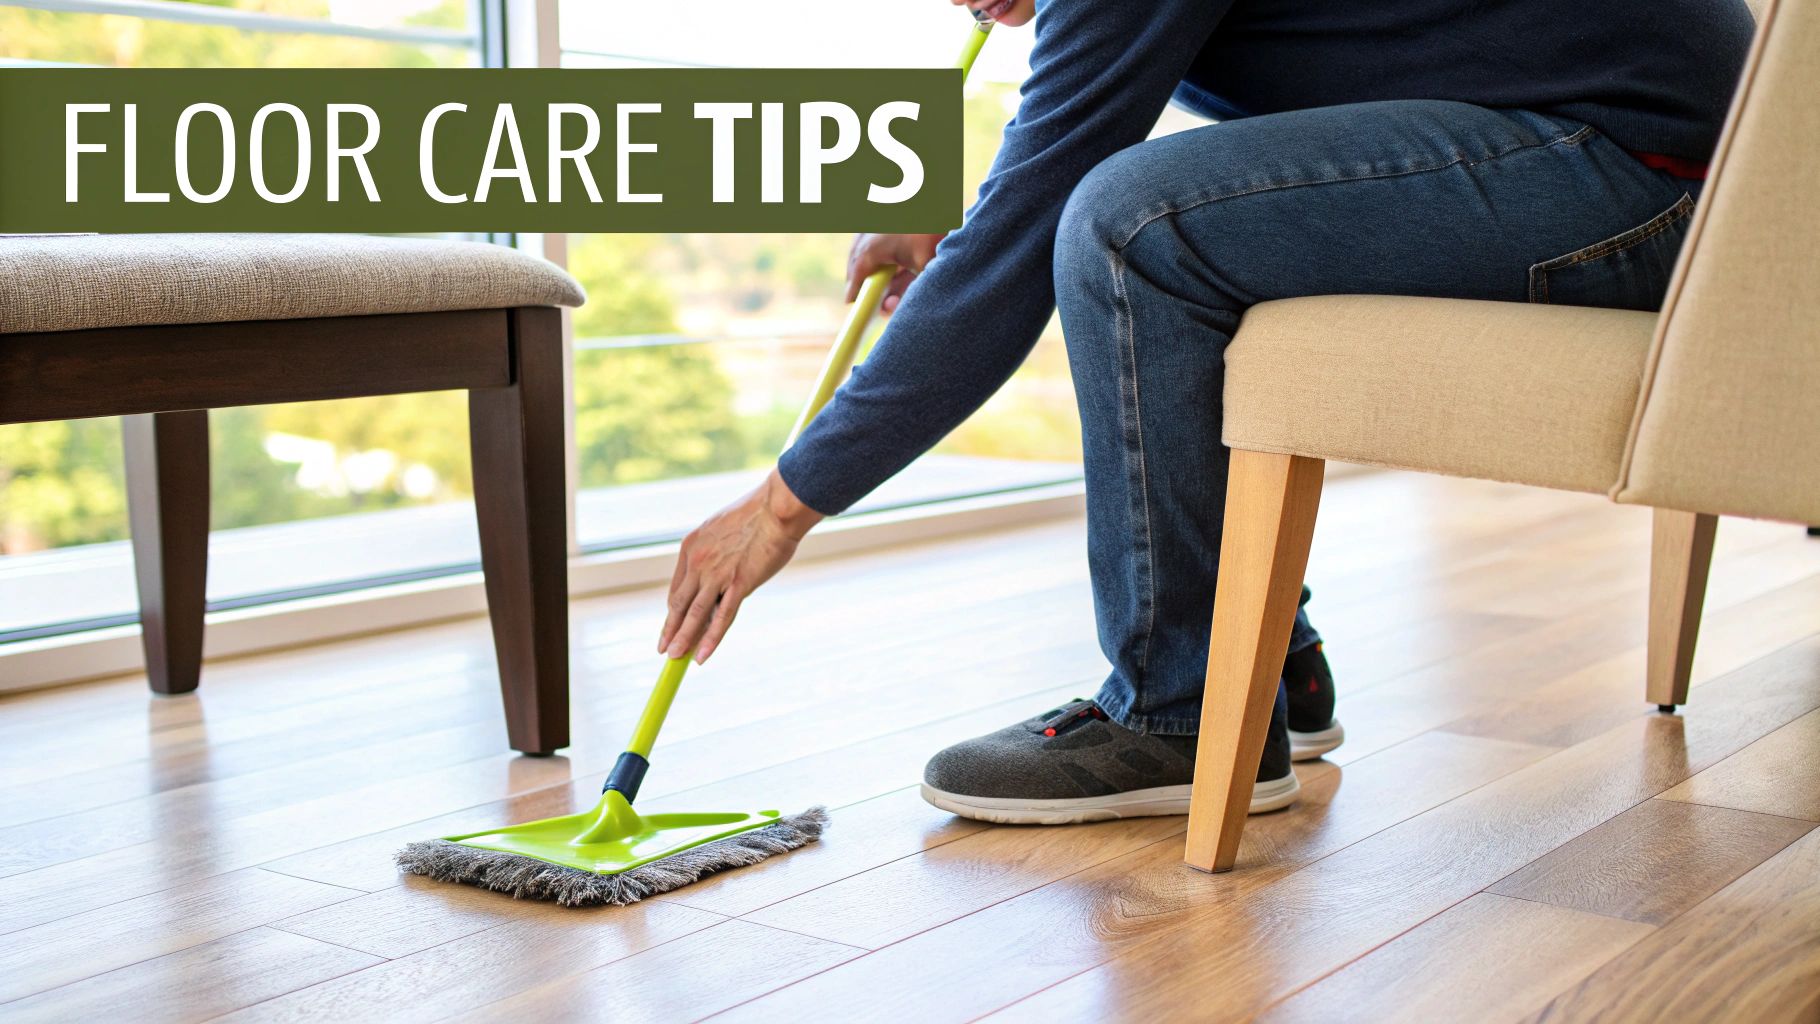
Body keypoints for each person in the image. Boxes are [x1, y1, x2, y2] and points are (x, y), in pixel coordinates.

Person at [659, 0, 1755, 823]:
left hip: (1638, 177)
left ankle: (1173, 712)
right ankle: (1267, 659)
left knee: (1135, 225)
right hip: (1618, 148)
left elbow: (1035, 233)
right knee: (1198, 215)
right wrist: (963, 223)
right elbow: (1055, 166)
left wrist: (782, 504)